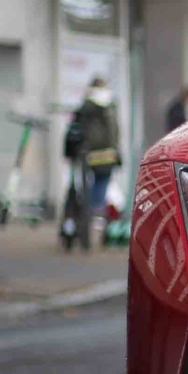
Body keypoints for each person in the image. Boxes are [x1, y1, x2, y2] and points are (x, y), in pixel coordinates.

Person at [62, 77, 120, 247]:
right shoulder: (110, 105)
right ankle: (97, 217)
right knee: (101, 188)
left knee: (88, 187)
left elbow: (76, 131)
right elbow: (115, 132)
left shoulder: (86, 107)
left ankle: (89, 218)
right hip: (108, 155)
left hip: (89, 154)